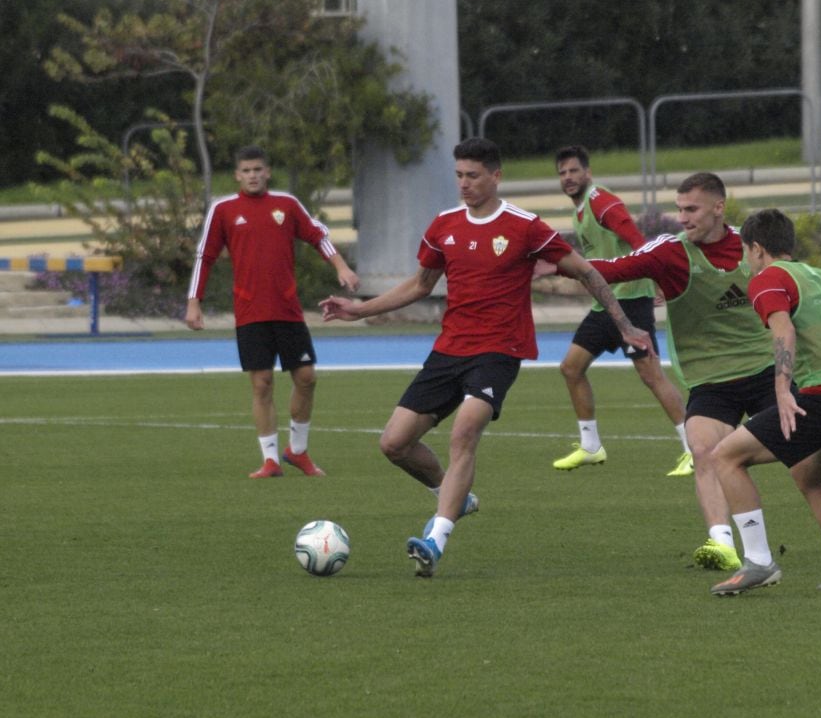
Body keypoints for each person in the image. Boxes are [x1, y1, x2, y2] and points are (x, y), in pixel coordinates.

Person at [319, 137, 654, 578]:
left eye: (473, 176)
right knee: (394, 444)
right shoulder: (444, 225)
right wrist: (358, 308)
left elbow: (587, 271)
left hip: (499, 351)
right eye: (458, 175)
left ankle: (435, 540)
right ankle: (454, 495)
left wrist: (626, 325)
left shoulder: (525, 227)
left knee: (463, 433)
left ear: (495, 176)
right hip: (448, 349)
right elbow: (420, 285)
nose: (464, 184)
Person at [583, 173, 821, 575]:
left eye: (691, 209)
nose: (682, 217)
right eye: (679, 209)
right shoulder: (669, 254)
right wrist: (551, 259)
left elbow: (793, 320)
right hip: (712, 381)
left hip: (768, 373)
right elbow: (606, 270)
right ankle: (723, 544)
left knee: (816, 460)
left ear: (719, 207)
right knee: (704, 449)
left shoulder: (754, 248)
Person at [708, 207, 821, 596]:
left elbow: (783, 333)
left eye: (744, 251)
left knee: (725, 456)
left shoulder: (767, 279)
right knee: (809, 477)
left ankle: (758, 562)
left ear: (757, 249)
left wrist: (782, 392)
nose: (744, 260)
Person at [186, 145, 360, 479]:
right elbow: (204, 256)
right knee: (262, 384)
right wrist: (194, 302)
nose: (253, 175)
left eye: (258, 169)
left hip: (288, 310)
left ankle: (297, 452)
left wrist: (341, 267)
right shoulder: (223, 209)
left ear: (267, 172)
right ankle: (270, 460)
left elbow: (317, 234)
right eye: (246, 170)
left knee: (307, 377)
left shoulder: (286, 204)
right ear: (237, 175)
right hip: (250, 311)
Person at [549, 146, 693, 477]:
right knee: (571, 368)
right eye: (562, 173)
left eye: (574, 171)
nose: (568, 178)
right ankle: (590, 447)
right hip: (606, 304)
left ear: (588, 173)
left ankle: (693, 449)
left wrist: (658, 277)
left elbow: (636, 239)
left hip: (630, 301)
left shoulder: (602, 202)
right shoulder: (581, 209)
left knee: (651, 375)